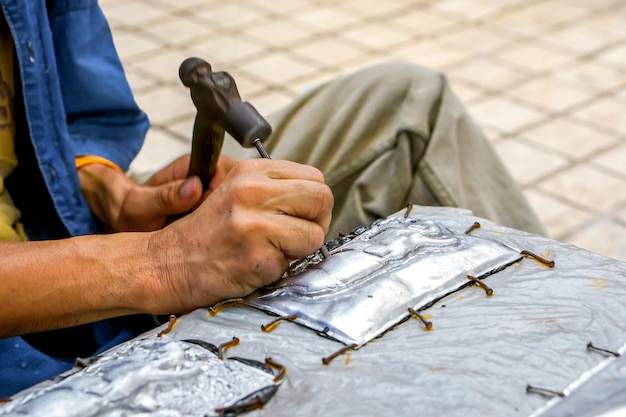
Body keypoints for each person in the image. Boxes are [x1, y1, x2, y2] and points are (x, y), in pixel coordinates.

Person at [0, 0, 543, 398]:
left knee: (406, 101)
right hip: (24, 370)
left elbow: (75, 110)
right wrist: (162, 263)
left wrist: (108, 193)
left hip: (70, 240)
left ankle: (568, 346)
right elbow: (162, 263)